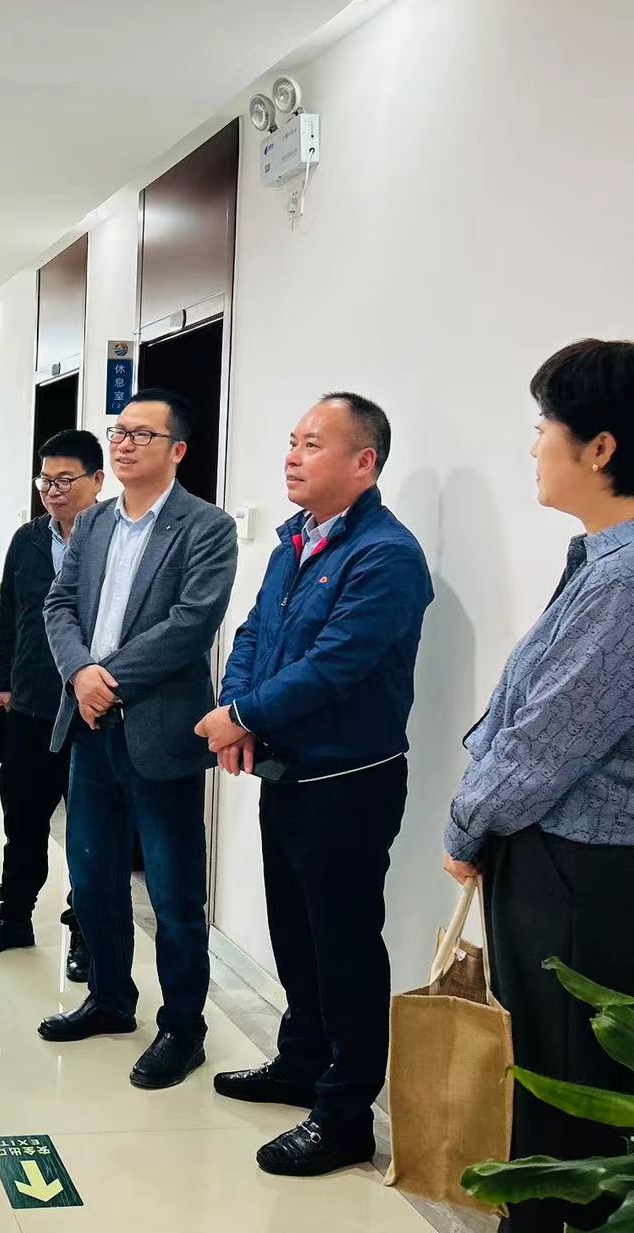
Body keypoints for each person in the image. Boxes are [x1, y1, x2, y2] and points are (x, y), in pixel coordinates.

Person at [442, 340, 634, 1233]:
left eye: (543, 426)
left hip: (579, 868)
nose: (533, 445)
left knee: (563, 1099)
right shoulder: (616, 563)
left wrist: (466, 823)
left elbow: (545, 743)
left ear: (599, 448)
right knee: (549, 1082)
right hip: (568, 860)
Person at [197, 393, 432, 1177]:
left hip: (349, 780)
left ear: (363, 463)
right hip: (287, 768)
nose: (291, 457)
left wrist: (240, 715)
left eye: (311, 444)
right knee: (294, 933)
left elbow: (335, 665)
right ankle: (300, 1060)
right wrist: (238, 713)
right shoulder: (293, 539)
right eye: (291, 441)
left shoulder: (386, 556)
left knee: (344, 948)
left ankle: (344, 1115)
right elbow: (254, 635)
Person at [38, 390, 238, 1091]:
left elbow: (191, 623)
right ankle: (109, 999)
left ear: (177, 450)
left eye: (140, 435)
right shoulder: (93, 523)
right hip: (90, 728)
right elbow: (59, 604)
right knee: (92, 877)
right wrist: (78, 674)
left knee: (174, 893)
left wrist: (106, 678)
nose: (122, 444)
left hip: (159, 729)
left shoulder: (206, 527)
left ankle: (183, 1027)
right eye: (118, 432)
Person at [0, 429, 104, 980]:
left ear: (97, 480)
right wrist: (3, 678)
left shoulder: (111, 538)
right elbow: (11, 612)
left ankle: (85, 931)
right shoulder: (27, 539)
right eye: (45, 481)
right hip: (29, 707)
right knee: (21, 821)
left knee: (88, 832)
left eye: (65, 480)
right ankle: (13, 918)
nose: (53, 491)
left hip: (91, 710)